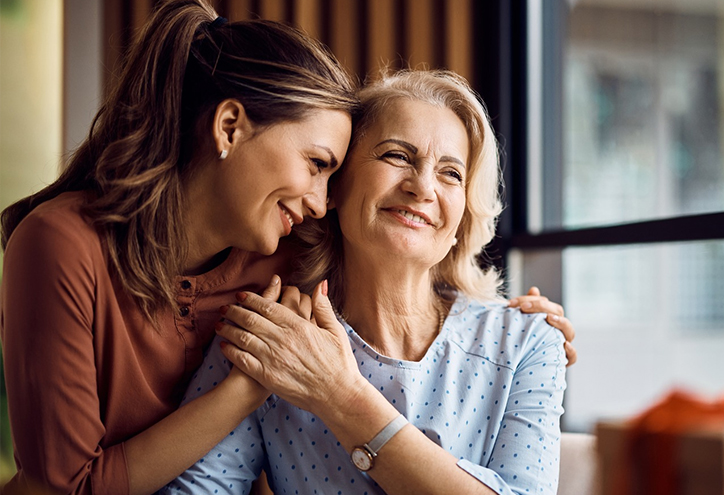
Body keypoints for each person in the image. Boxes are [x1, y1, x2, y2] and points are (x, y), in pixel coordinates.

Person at [0, 3, 573, 494]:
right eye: (395, 155)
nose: (320, 201)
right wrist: (250, 387)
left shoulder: (518, 342)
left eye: (452, 173)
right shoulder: (275, 309)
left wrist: (523, 325)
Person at [0, 1, 357, 493]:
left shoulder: (289, 262)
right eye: (317, 164)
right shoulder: (60, 247)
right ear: (229, 126)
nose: (319, 204)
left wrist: (493, 310)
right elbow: (67, 488)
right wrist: (243, 390)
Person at [163, 70, 568, 495]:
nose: (422, 187)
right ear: (334, 186)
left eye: (451, 173)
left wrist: (341, 396)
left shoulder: (528, 340)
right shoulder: (272, 333)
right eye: (397, 156)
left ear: (462, 218)